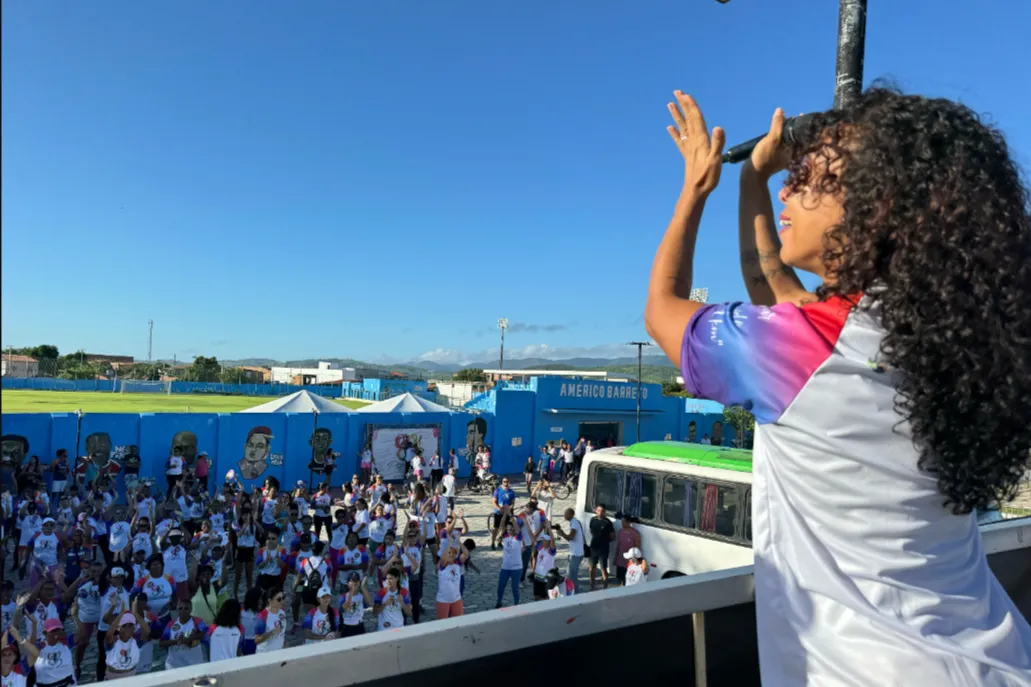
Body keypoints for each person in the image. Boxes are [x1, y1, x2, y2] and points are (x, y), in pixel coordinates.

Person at [644, 88, 1031, 684]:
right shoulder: (941, 339)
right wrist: (751, 179)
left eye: (809, 178)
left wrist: (696, 189)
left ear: (874, 208)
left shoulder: (810, 347)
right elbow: (771, 280)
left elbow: (664, 310)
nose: (787, 190)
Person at [103, 608, 151, 680]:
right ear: (119, 628)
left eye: (130, 625)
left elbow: (147, 631)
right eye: (124, 626)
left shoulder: (136, 642)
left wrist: (136, 615)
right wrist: (120, 615)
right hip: (113, 676)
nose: (128, 628)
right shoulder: (114, 641)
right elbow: (109, 634)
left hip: (131, 675)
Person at [160, 598, 206, 670]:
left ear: (191, 609)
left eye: (186, 608)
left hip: (194, 665)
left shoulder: (197, 621)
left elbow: (203, 634)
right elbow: (162, 643)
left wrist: (189, 639)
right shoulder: (171, 624)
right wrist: (177, 641)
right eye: (180, 608)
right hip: (174, 666)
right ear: (177, 609)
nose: (183, 611)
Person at [553, 508, 585, 592]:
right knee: (569, 574)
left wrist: (562, 534)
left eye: (566, 513)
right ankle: (572, 591)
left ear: (571, 514)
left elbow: (571, 537)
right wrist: (561, 532)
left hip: (576, 554)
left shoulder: (574, 523)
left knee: (572, 575)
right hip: (573, 553)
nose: (564, 515)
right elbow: (571, 539)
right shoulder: (573, 522)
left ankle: (577, 592)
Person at [495, 513, 522, 608]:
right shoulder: (505, 536)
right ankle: (499, 601)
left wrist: (511, 517)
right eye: (508, 529)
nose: (509, 530)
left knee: (514, 587)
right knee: (501, 585)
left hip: (516, 567)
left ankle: (516, 604)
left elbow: (517, 528)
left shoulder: (518, 537)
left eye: (511, 529)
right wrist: (505, 515)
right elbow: (501, 525)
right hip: (505, 567)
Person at [206, 598, 244, 663]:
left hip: (214, 666)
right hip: (232, 666)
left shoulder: (212, 628)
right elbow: (239, 650)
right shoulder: (240, 629)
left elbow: (208, 647)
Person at [587, 504, 614, 590]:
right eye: (598, 510)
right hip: (594, 547)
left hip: (603, 548)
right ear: (596, 511)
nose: (600, 513)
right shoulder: (593, 519)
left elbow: (613, 536)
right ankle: (592, 585)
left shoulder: (608, 522)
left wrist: (604, 540)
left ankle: (605, 586)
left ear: (605, 512)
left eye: (602, 511)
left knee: (603, 568)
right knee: (592, 567)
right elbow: (591, 530)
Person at [253, 586, 287, 653]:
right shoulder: (263, 616)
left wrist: (284, 644)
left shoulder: (282, 612)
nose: (282, 601)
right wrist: (271, 633)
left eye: (283, 598)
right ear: (270, 601)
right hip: (265, 654)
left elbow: (282, 633)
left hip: (279, 652)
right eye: (279, 599)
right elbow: (256, 640)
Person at [339, 572, 372, 637]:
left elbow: (370, 603)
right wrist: (351, 591)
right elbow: (345, 608)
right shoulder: (343, 596)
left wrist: (362, 587)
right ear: (348, 583)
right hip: (347, 627)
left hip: (359, 626)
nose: (355, 583)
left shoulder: (361, 596)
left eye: (357, 580)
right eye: (352, 581)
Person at [489, 477, 516, 550]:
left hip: (507, 512)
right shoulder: (497, 491)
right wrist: (499, 509)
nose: (506, 483)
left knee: (504, 528)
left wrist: (510, 507)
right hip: (498, 512)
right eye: (504, 481)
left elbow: (513, 502)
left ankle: (499, 541)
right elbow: (494, 501)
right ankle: (492, 542)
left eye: (507, 481)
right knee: (496, 528)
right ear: (502, 482)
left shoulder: (511, 492)